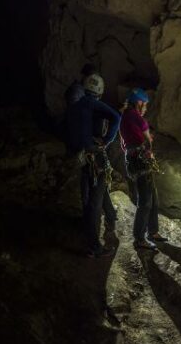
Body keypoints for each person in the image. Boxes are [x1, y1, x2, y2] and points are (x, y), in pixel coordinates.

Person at [66, 73, 120, 258]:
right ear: (99, 92)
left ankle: (110, 216)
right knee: (94, 202)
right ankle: (94, 246)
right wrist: (106, 140)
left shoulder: (74, 107)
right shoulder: (91, 103)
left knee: (95, 192)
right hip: (95, 157)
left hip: (82, 157)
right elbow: (116, 117)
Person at [119, 88, 166, 250]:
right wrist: (148, 143)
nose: (145, 107)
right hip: (140, 161)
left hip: (136, 159)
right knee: (145, 200)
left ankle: (153, 231)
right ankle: (139, 238)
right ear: (138, 102)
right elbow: (147, 137)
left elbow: (126, 142)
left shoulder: (126, 116)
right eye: (144, 103)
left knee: (153, 197)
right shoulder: (133, 116)